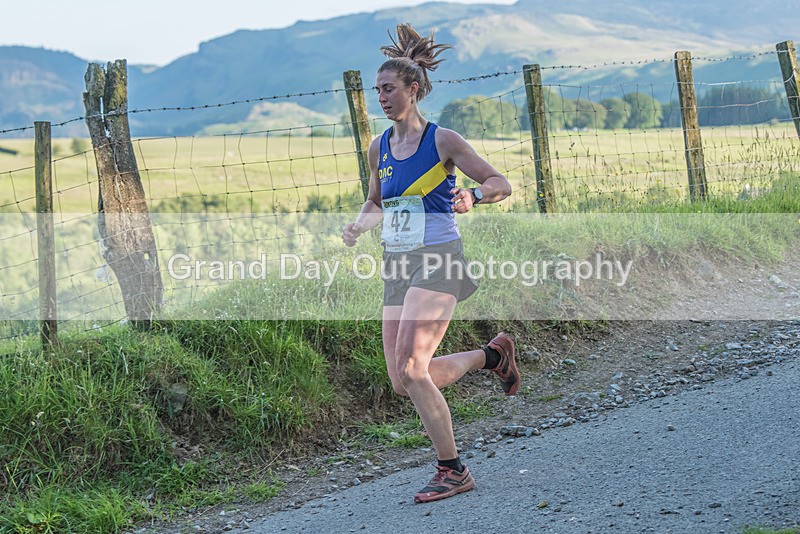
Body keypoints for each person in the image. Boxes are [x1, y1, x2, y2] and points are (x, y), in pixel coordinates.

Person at [341, 23, 520, 504]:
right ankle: (492, 357)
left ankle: (452, 469)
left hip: (440, 259)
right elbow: (377, 201)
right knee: (403, 380)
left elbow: (500, 183)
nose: (381, 98)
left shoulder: (444, 141)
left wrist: (474, 196)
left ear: (414, 89)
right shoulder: (379, 146)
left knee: (412, 367)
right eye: (377, 90)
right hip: (397, 265)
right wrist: (359, 225)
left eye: (389, 88)